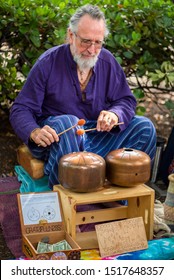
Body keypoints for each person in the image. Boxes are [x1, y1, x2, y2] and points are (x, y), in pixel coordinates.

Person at [10, 4, 156, 189]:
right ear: (71, 35)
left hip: (97, 135)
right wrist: (34, 131)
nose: (92, 49)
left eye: (98, 42)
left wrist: (115, 114)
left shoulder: (107, 61)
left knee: (144, 127)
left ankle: (118, 196)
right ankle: (68, 197)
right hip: (60, 138)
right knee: (68, 123)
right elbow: (21, 108)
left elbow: (125, 100)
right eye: (86, 41)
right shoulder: (48, 63)